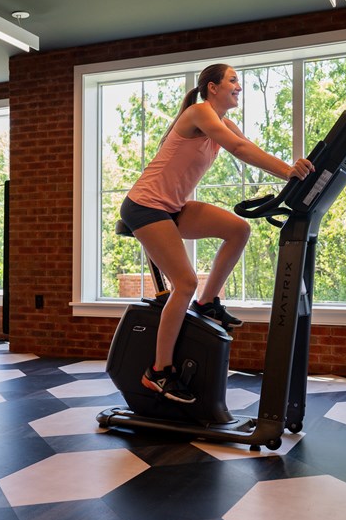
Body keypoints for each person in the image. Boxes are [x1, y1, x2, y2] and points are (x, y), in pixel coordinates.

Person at [121, 63, 314, 404]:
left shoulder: (224, 123)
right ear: (212, 87)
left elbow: (247, 147)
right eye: (232, 80)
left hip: (174, 207)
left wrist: (290, 170)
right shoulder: (199, 113)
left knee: (238, 228)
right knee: (184, 283)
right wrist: (288, 171)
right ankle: (159, 371)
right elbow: (238, 150)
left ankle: (209, 303)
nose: (238, 86)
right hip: (146, 206)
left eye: (238, 81)